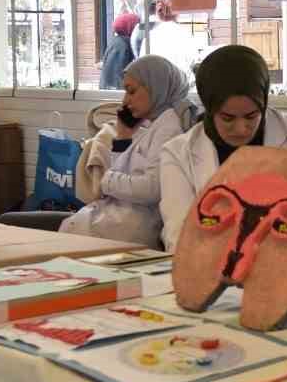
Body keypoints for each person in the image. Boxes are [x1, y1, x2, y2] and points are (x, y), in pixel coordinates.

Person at [159, 44, 287, 250]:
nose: (241, 129)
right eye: (228, 118)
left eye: (251, 116)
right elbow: (180, 234)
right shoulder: (179, 154)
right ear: (210, 108)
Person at [60, 56, 198, 244]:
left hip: (124, 231)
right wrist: (123, 138)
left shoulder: (168, 130)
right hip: (110, 223)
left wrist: (106, 181)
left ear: (155, 88)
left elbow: (153, 189)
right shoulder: (155, 125)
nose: (125, 101)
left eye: (131, 91)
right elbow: (124, 171)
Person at [99, 11, 139, 90]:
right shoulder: (122, 45)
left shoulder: (117, 41)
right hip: (115, 95)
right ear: (129, 26)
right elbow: (117, 76)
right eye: (136, 26)